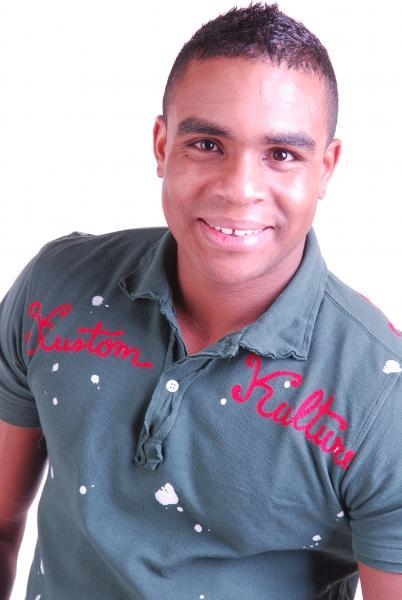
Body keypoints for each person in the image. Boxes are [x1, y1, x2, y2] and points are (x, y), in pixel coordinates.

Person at [0, 3, 401, 599]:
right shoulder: (55, 286)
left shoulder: (382, 394)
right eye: (208, 143)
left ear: (326, 168)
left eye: (282, 154)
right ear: (162, 145)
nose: (239, 189)